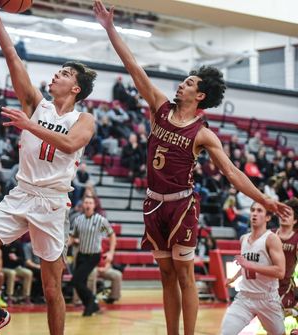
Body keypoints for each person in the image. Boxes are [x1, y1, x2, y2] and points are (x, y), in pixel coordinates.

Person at [93, 2, 290, 334]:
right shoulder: (159, 106)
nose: (180, 85)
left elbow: (232, 173)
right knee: (166, 276)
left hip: (182, 205)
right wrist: (110, 29)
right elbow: (134, 68)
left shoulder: (203, 134)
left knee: (184, 275)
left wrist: (265, 199)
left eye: (187, 83)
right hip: (153, 202)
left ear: (198, 95)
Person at [0, 1, 97, 334]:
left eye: (63, 74)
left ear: (75, 88)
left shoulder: (84, 119)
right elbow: (12, 57)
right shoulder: (37, 104)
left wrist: (28, 125)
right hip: (22, 193)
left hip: (51, 204)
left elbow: (69, 144)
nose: (55, 76)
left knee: (52, 290)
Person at [221, 202, 285, 334]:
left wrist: (250, 265)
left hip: (267, 299)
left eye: (260, 211)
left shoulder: (272, 239)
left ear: (267, 217)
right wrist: (234, 277)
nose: (254, 213)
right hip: (245, 297)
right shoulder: (243, 238)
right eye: (253, 210)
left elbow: (280, 271)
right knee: (226, 332)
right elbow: (246, 265)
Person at [69, 196, 116, 316]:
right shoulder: (78, 220)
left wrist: (111, 252)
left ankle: (91, 301)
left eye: (90, 203)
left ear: (94, 205)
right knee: (80, 283)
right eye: (86, 202)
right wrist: (63, 247)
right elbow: (73, 237)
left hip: (93, 255)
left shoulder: (100, 220)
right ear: (83, 205)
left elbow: (112, 236)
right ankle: (91, 306)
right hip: (81, 255)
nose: (88, 205)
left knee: (76, 281)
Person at [273, 198, 298, 310]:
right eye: (282, 213)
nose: (284, 216)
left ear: (295, 220)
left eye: (288, 214)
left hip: (285, 288)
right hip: (266, 287)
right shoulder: (269, 235)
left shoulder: (296, 239)